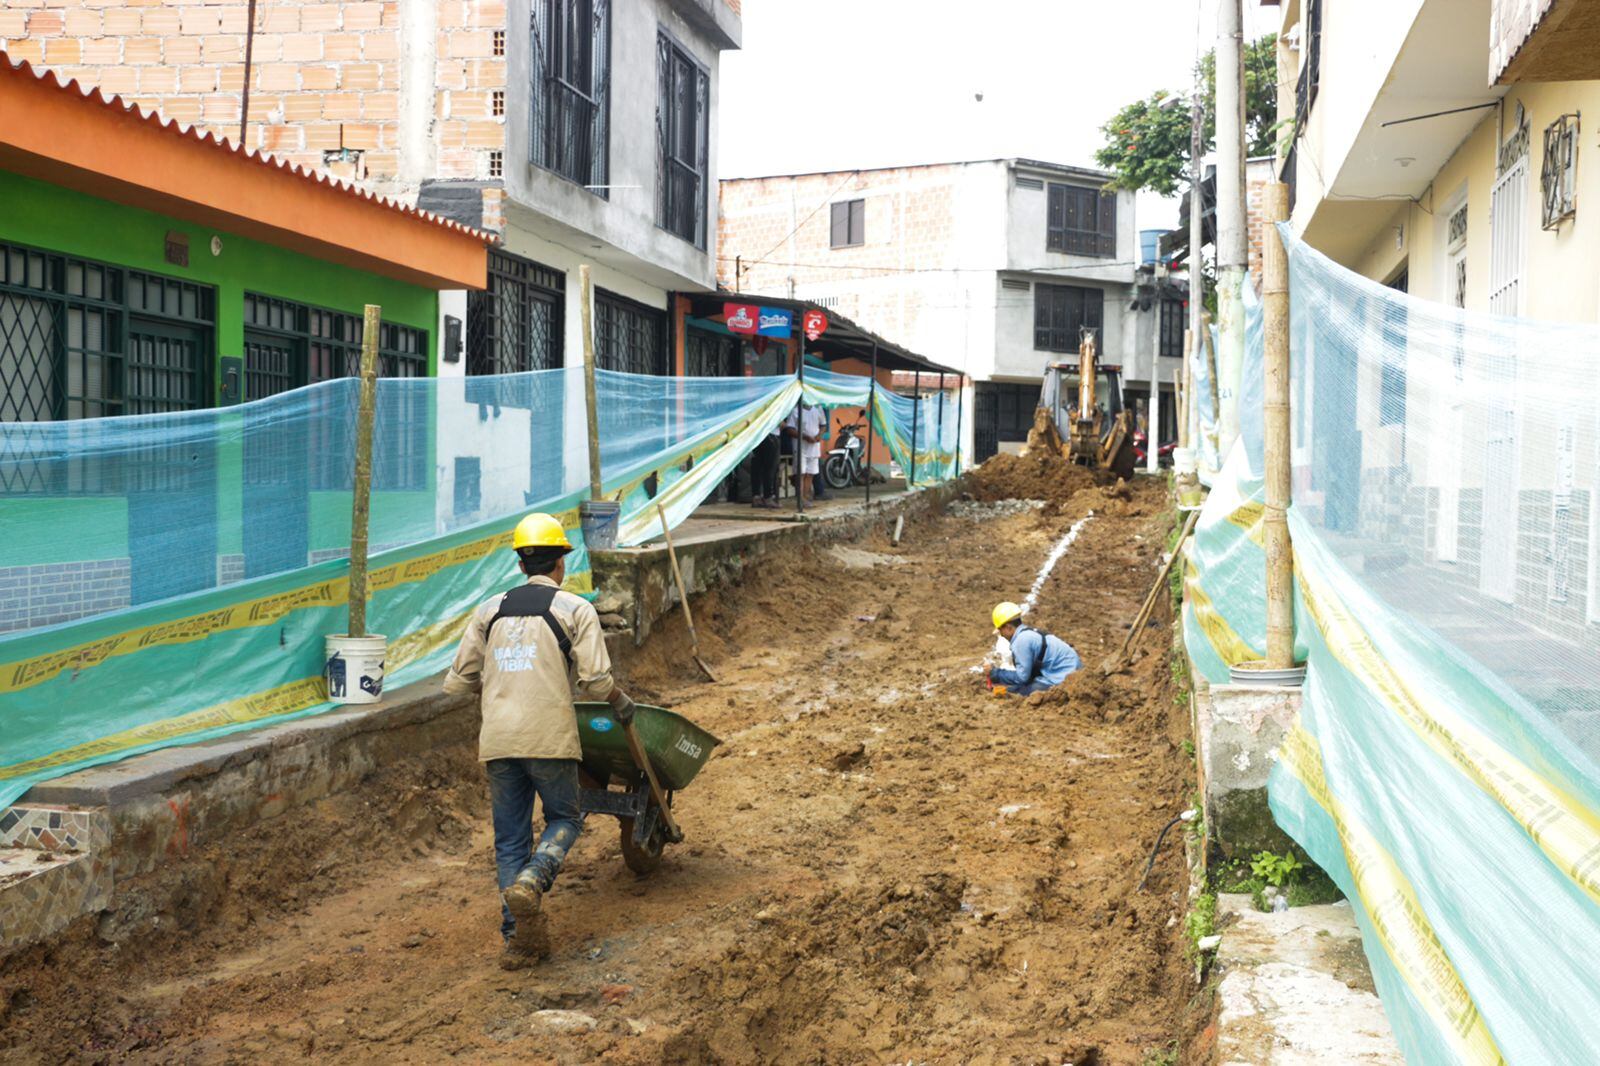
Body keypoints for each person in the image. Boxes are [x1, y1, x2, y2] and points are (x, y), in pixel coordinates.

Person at [443, 512, 638, 971]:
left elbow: (458, 682)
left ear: (520, 565)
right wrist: (621, 700)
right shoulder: (575, 610)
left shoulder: (488, 611)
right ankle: (535, 878)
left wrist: (501, 683)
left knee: (509, 840)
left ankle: (519, 940)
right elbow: (594, 682)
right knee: (565, 818)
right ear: (560, 565)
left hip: (499, 739)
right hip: (548, 735)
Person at [984, 601, 1081, 696]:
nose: (1001, 635)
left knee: (1017, 692)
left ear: (1008, 628)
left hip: (1065, 677)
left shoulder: (1021, 641)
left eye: (1001, 630)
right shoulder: (1027, 633)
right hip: (1072, 670)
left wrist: (995, 673)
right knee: (1017, 687)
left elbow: (1022, 678)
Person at [782, 401, 824, 505]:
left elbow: (823, 425)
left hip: (814, 446)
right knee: (801, 473)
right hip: (800, 447)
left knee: (811, 473)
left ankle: (805, 495)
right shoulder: (795, 411)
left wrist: (819, 435)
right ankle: (800, 498)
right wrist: (804, 437)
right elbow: (789, 429)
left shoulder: (818, 408)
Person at [751, 422, 780, 509]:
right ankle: (768, 497)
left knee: (757, 467)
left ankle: (756, 496)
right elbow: (781, 423)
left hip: (757, 435)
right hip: (771, 435)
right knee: (770, 468)